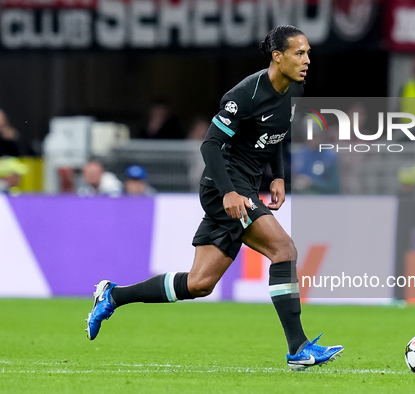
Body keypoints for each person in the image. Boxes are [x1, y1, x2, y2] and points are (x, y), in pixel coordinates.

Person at [85, 25, 344, 371]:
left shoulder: (294, 89)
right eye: (300, 53)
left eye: (308, 52)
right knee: (284, 250)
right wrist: (229, 193)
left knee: (199, 283)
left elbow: (276, 134)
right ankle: (298, 348)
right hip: (224, 187)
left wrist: (279, 174)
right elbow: (209, 144)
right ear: (277, 57)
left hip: (246, 187)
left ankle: (112, 295)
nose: (307, 60)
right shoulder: (246, 95)